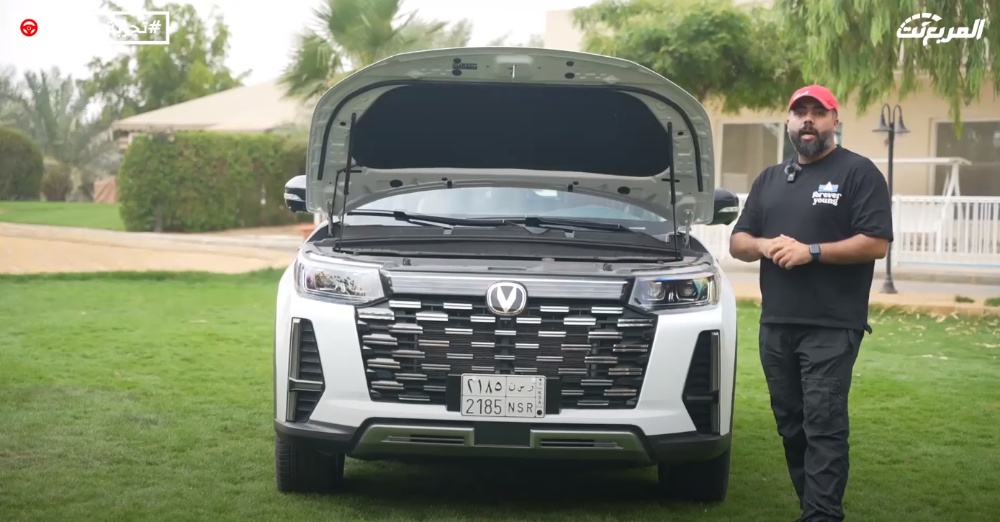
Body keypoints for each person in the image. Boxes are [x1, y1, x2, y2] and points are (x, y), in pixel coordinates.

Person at [728, 85, 894, 521]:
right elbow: (738, 241)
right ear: (787, 122)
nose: (808, 120)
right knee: (791, 424)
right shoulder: (769, 179)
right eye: (799, 112)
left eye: (818, 113)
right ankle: (815, 507)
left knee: (823, 424)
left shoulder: (858, 173)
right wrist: (764, 245)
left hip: (831, 325)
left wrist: (811, 251)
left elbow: (875, 242)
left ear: (834, 121)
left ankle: (821, 515)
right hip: (776, 324)